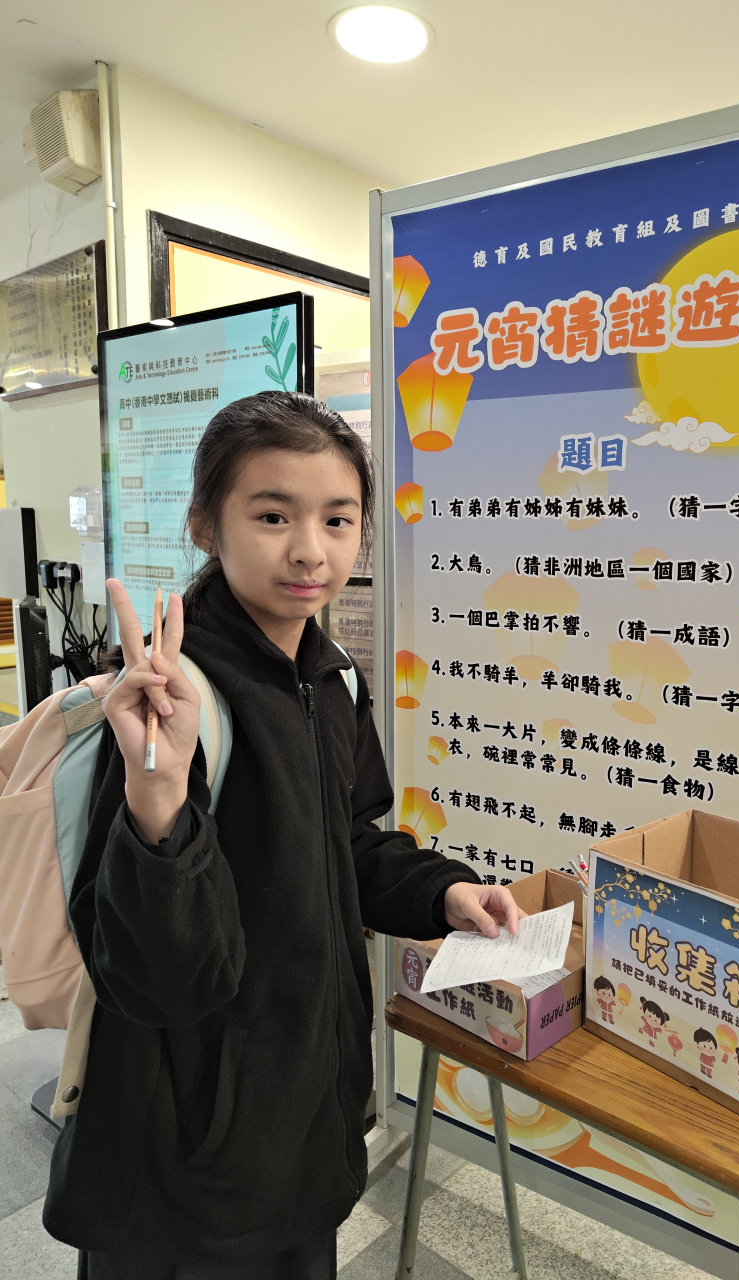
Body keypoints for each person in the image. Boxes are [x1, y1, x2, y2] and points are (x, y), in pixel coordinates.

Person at [43, 392, 522, 1279]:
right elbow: (155, 981)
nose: (310, 550)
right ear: (205, 525)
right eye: (272, 516)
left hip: (302, 1120)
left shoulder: (332, 682)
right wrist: (159, 799)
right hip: (186, 1156)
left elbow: (351, 843)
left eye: (338, 519)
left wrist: (443, 891)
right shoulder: (167, 702)